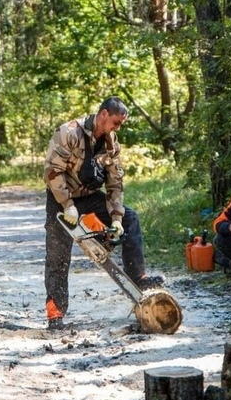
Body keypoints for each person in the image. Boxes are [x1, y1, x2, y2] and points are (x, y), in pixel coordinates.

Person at [43, 96, 164, 331]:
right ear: (104, 114)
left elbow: (115, 184)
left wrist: (117, 218)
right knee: (58, 257)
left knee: (131, 219)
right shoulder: (68, 132)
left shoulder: (111, 142)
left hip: (89, 196)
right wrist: (67, 204)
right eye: (116, 122)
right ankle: (55, 313)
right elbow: (52, 171)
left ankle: (137, 277)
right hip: (61, 198)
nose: (118, 128)